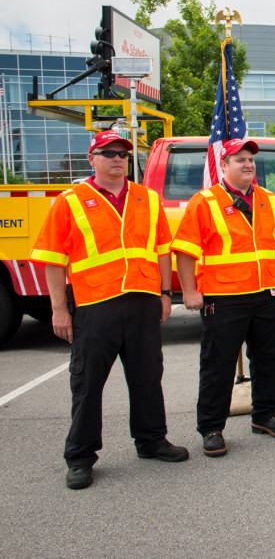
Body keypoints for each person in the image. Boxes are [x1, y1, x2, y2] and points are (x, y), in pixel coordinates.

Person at [31, 130, 188, 490]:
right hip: (95, 306)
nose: (118, 158)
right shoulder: (70, 201)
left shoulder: (147, 198)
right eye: (108, 152)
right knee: (87, 385)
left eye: (123, 153)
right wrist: (59, 310)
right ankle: (81, 457)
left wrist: (165, 294)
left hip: (143, 302)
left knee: (148, 377)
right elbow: (53, 261)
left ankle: (151, 440)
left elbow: (162, 250)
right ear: (92, 159)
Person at [173, 138, 275, 457]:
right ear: (223, 166)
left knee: (269, 359)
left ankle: (266, 415)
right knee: (218, 364)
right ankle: (212, 427)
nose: (247, 164)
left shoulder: (269, 200)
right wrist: (189, 291)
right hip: (223, 298)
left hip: (266, 295)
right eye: (239, 159)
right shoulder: (205, 202)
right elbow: (185, 252)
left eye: (251, 160)